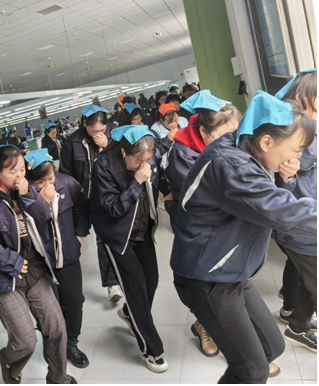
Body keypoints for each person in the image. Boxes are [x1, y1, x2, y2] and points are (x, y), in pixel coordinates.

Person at [171, 91, 316, 383]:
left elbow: (268, 203)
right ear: (267, 141)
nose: (297, 157)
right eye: (296, 148)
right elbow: (279, 211)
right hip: (207, 278)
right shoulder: (233, 166)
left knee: (272, 347)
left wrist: (285, 178)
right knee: (252, 370)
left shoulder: (247, 148)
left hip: (231, 270)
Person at [0, 145, 76, 385]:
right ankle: (9, 360)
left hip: (34, 271)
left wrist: (29, 196)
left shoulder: (24, 190)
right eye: (12, 171)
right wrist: (13, 262)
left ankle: (58, 378)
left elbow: (44, 218)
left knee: (56, 328)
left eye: (21, 170)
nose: (19, 176)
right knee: (25, 341)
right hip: (5, 277)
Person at [165, 90, 242, 357]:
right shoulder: (182, 152)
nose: (231, 142)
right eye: (225, 136)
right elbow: (203, 195)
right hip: (197, 225)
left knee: (225, 278)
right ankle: (204, 324)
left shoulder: (222, 143)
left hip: (223, 221)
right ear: (203, 132)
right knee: (202, 278)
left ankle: (228, 324)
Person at [90, 125, 168, 373]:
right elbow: (114, 208)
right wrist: (136, 182)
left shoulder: (149, 158)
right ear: (124, 152)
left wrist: (168, 191)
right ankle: (151, 349)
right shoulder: (104, 166)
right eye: (138, 160)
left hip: (143, 230)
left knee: (151, 281)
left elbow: (160, 180)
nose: (144, 165)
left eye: (148, 160)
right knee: (135, 289)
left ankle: (128, 312)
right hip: (118, 236)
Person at [24, 149, 91, 369]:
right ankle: (52, 342)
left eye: (50, 178)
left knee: (74, 301)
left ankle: (71, 342)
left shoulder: (68, 184)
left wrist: (79, 235)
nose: (47, 184)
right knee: (47, 307)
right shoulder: (24, 195)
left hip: (68, 255)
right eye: (40, 182)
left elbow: (82, 209)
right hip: (40, 262)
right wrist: (42, 201)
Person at [271, 69, 318, 351]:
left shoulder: (305, 124)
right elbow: (281, 185)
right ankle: (297, 323)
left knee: (305, 275)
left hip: (306, 220)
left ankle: (297, 323)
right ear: (302, 96)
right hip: (301, 224)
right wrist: (288, 178)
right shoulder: (288, 129)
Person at [60, 105, 122, 301]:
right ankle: (73, 288)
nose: (98, 134)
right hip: (83, 199)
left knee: (106, 238)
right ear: (84, 124)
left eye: (102, 130)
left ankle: (114, 283)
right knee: (79, 240)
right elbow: (66, 175)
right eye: (94, 131)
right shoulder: (72, 143)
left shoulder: (113, 135)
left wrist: (107, 145)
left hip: (106, 197)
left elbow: (121, 161)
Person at [151, 103, 188, 168]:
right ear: (162, 120)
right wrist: (168, 139)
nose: (174, 124)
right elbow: (156, 153)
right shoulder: (155, 129)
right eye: (170, 122)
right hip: (168, 165)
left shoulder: (184, 121)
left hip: (187, 159)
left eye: (176, 120)